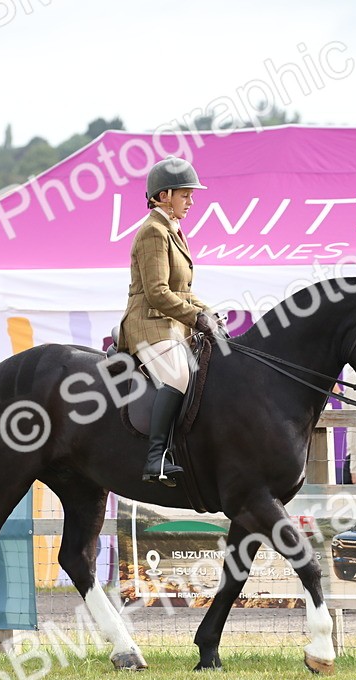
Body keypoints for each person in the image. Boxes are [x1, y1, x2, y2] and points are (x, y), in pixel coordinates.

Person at [116, 157, 222, 486]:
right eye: (185, 195)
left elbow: (182, 290)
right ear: (164, 196)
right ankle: (156, 457)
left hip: (171, 325)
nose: (191, 202)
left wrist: (207, 312)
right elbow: (158, 293)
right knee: (179, 376)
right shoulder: (153, 232)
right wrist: (195, 318)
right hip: (148, 323)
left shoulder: (173, 230)